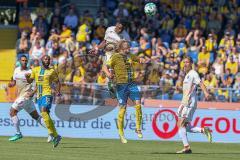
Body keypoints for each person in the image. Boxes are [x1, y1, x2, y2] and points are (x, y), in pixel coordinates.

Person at [104, 40, 144, 144]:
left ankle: (138, 128)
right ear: (121, 48)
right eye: (127, 47)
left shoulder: (130, 55)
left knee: (138, 105)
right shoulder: (115, 57)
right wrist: (108, 74)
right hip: (121, 85)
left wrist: (142, 59)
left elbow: (138, 59)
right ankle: (121, 133)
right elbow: (105, 67)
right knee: (123, 109)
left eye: (129, 47)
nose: (129, 49)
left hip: (132, 84)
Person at [177, 57, 212, 154]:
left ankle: (187, 147)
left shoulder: (193, 73)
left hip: (189, 102)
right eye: (184, 62)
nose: (185, 64)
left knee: (181, 124)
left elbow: (200, 83)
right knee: (185, 126)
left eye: (187, 62)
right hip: (184, 102)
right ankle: (203, 130)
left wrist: (206, 93)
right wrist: (180, 90)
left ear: (191, 63)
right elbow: (189, 90)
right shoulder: (187, 75)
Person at [25, 55, 62, 148]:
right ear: (41, 60)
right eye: (45, 59)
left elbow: (57, 82)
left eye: (48, 59)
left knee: (44, 110)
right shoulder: (35, 70)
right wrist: (27, 77)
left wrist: (58, 91)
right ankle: (56, 136)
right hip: (39, 96)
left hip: (47, 93)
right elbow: (30, 81)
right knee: (45, 115)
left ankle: (51, 133)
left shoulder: (52, 71)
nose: (47, 60)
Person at [8, 55, 45, 141]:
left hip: (25, 97)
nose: (24, 62)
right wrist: (11, 84)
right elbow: (13, 81)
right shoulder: (16, 70)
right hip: (24, 98)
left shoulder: (31, 71)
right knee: (36, 116)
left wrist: (33, 92)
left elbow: (38, 84)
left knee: (12, 112)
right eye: (22, 60)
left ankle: (18, 133)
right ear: (20, 61)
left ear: (27, 61)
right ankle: (52, 132)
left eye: (25, 60)